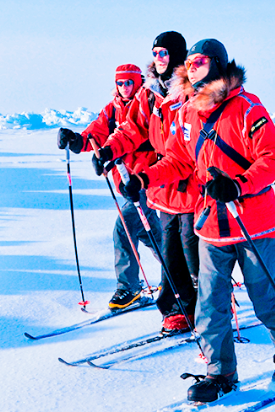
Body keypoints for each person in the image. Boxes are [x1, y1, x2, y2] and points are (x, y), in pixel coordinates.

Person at [126, 38, 275, 402]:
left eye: (200, 60)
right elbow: (179, 162)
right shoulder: (187, 114)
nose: (191, 66)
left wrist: (239, 185)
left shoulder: (247, 108)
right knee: (209, 304)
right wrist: (145, 177)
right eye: (189, 61)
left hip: (252, 222)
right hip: (210, 223)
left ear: (218, 64)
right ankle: (220, 372)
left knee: (265, 298)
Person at [93, 31, 199, 334]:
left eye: (164, 53)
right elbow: (131, 128)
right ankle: (177, 309)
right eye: (155, 53)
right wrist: (108, 151)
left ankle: (209, 307)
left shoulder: (191, 92)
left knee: (191, 254)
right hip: (163, 187)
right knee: (170, 252)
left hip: (192, 187)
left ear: (178, 55)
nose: (159, 59)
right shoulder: (150, 94)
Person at [56, 64, 162, 310]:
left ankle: (129, 289)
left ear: (138, 83)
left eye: (129, 83)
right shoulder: (112, 110)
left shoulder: (147, 103)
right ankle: (187, 273)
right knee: (151, 233)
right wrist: (75, 139)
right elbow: (94, 135)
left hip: (149, 180)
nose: (124, 88)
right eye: (120, 83)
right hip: (125, 184)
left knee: (124, 228)